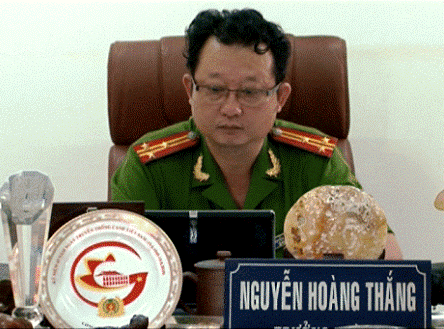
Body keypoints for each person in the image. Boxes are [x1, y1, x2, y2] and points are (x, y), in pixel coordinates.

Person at [111, 8, 402, 259]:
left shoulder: (316, 162)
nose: (231, 108)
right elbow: (119, 264)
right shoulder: (147, 165)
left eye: (250, 92)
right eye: (214, 89)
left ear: (280, 98)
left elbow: (383, 251)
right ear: (190, 90)